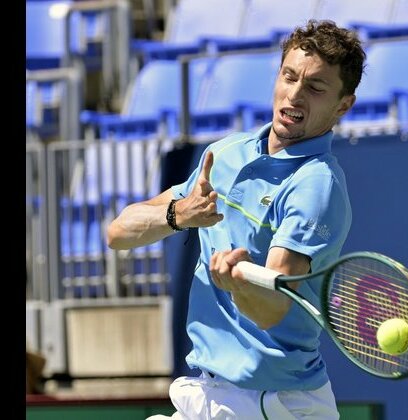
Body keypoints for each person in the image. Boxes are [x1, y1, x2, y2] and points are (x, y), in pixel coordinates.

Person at [107, 19, 366, 419]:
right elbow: (119, 233)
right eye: (289, 77)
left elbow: (272, 309)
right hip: (210, 392)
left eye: (315, 87)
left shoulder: (316, 185)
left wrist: (237, 284)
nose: (295, 94)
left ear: (342, 105)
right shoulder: (225, 155)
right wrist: (180, 214)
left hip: (273, 404)